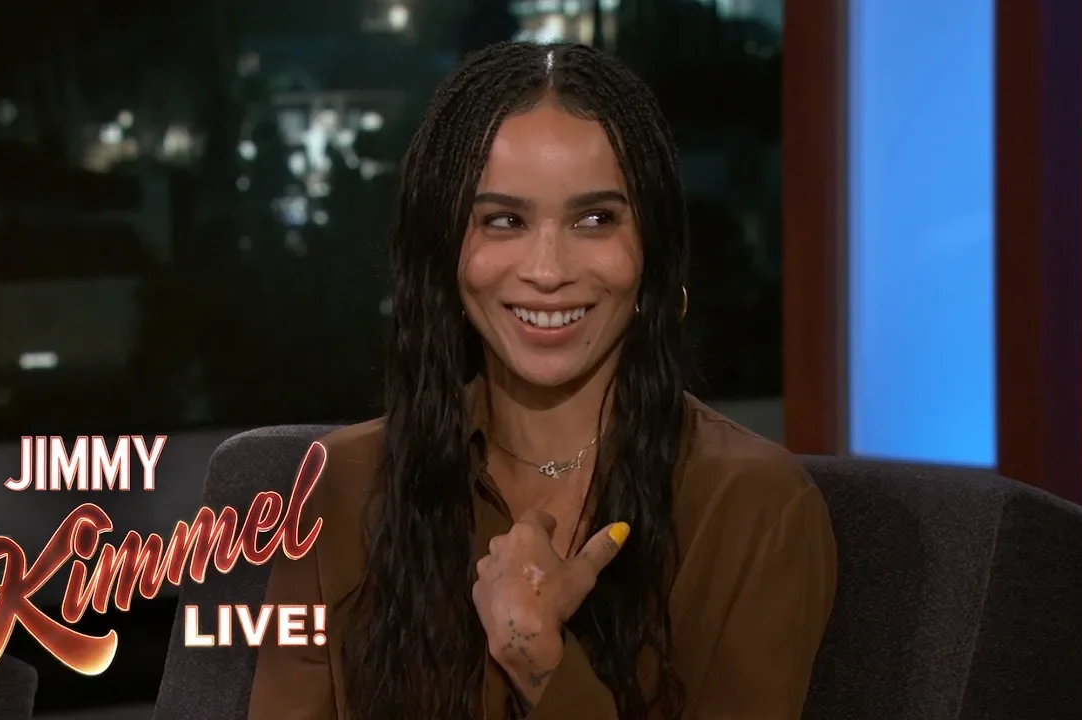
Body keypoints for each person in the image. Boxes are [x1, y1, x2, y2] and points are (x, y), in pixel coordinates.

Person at [248, 41, 836, 720]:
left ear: (652, 247)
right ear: (444, 250)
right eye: (504, 221)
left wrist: (539, 663)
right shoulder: (342, 488)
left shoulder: (754, 508)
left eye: (596, 219)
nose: (548, 270)